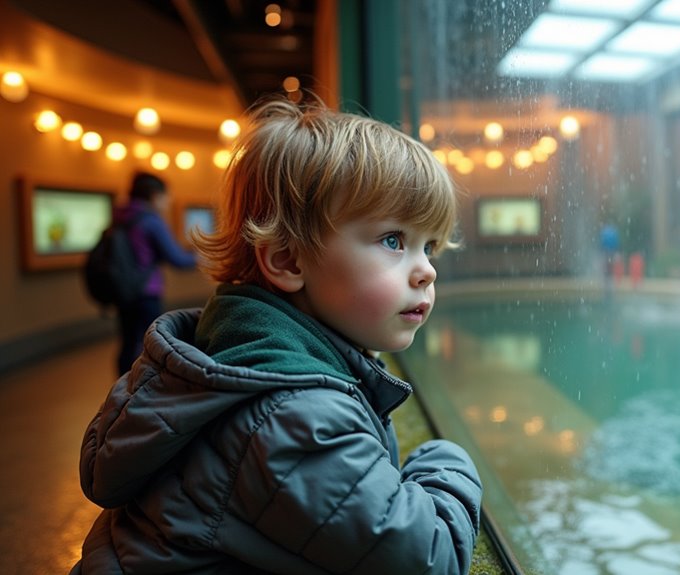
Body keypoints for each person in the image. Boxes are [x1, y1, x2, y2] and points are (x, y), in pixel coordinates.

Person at [72, 97, 482, 574]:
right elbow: (429, 559)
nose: (427, 271)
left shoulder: (234, 357)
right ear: (287, 260)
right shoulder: (294, 415)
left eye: (429, 246)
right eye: (394, 240)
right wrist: (445, 462)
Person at [112, 171, 197, 375]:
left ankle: (122, 391)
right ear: (154, 195)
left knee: (128, 341)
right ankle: (143, 392)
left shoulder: (121, 216)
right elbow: (178, 259)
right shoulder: (151, 221)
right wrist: (207, 255)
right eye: (166, 195)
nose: (168, 201)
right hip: (146, 293)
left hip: (124, 290)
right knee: (151, 346)